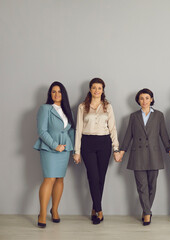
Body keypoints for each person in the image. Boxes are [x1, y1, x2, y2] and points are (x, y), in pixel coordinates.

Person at [116, 88, 170, 226]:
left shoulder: (159, 115)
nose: (144, 101)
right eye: (141, 98)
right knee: (142, 186)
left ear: (151, 99)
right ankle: (147, 213)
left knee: (152, 186)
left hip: (154, 155)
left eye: (147, 98)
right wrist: (121, 151)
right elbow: (128, 135)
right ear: (138, 101)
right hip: (138, 155)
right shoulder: (133, 116)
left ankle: (146, 209)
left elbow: (163, 134)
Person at [73, 78, 121, 224]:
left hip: (104, 143)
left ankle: (94, 208)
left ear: (103, 90)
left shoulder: (108, 106)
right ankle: (99, 211)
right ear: (90, 89)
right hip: (87, 143)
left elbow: (113, 128)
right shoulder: (82, 107)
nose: (96, 90)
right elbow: (78, 129)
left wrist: (116, 148)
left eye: (99, 88)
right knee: (93, 177)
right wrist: (77, 151)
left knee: (101, 178)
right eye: (94, 88)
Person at [34, 81, 75, 228]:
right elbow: (42, 131)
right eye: (53, 91)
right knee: (49, 179)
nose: (56, 94)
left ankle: (55, 210)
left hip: (64, 150)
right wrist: (54, 146)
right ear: (50, 94)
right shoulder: (45, 109)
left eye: (59, 91)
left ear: (63, 94)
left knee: (59, 179)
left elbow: (71, 131)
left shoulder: (66, 110)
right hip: (49, 149)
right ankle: (42, 214)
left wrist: (74, 150)